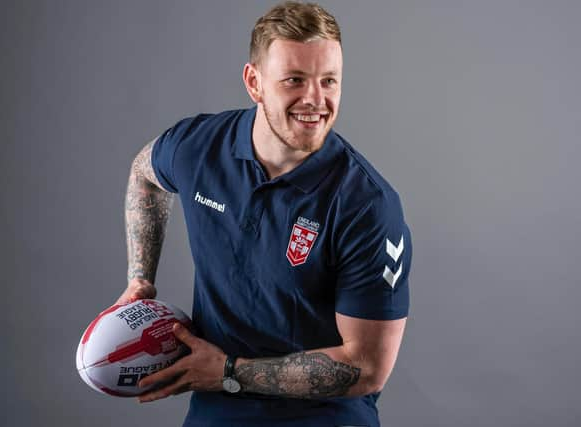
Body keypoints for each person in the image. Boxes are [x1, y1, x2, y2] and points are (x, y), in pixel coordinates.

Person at [116, 2, 411, 426]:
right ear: (254, 82)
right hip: (215, 415)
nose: (315, 99)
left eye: (329, 80)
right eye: (295, 79)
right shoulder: (200, 146)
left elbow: (365, 367)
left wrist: (228, 372)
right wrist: (140, 278)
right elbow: (145, 173)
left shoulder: (367, 205)